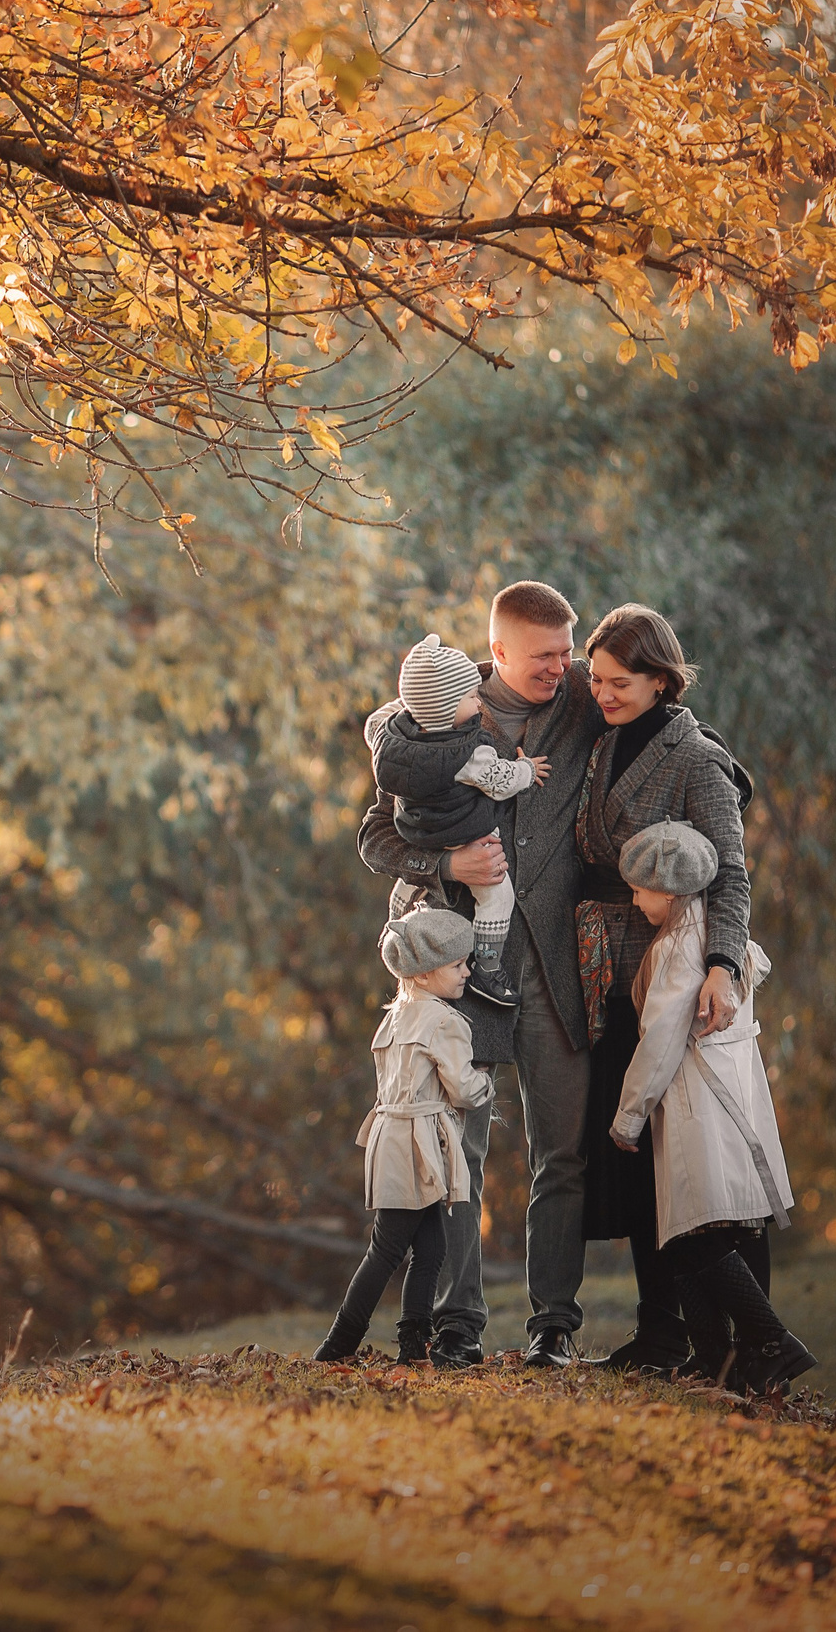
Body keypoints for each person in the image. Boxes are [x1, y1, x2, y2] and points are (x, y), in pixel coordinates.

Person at [359, 582, 606, 1369]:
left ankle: (554, 1327)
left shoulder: (581, 697)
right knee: (456, 1150)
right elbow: (374, 836)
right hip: (460, 971)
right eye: (544, 657)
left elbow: (661, 717)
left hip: (555, 965)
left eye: (567, 652)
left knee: (559, 1150)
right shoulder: (432, 716)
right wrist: (446, 860)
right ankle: (456, 1324)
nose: (561, 669)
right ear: (496, 651)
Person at [569, 604, 754, 1373]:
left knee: (687, 1159)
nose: (601, 692)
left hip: (675, 980)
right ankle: (660, 1329)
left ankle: (733, 1340)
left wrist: (724, 965)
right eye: (595, 678)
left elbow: (734, 872)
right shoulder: (605, 741)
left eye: (618, 682)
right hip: (611, 975)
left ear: (660, 680)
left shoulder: (693, 757)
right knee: (633, 1155)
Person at [606, 821, 815, 1394]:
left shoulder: (677, 951)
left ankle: (770, 1341)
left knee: (696, 1232)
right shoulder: (723, 944)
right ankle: (716, 1357)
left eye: (640, 890)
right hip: (732, 1096)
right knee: (690, 1229)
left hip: (698, 1100)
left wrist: (628, 1115)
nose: (634, 899)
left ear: (669, 892)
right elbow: (758, 964)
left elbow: (660, 1042)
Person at [313, 907, 496, 1366]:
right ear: (429, 971)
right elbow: (463, 1089)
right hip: (419, 1144)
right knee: (388, 1247)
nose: (466, 972)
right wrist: (487, 1078)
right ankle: (338, 1344)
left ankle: (414, 1341)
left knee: (431, 1246)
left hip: (391, 1139)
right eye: (458, 965)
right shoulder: (445, 1021)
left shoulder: (395, 1016)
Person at [367, 633, 553, 1009]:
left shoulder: (392, 740)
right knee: (496, 896)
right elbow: (501, 783)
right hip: (465, 832)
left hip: (421, 833)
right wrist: (527, 769)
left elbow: (374, 724)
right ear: (448, 707)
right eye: (471, 697)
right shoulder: (468, 753)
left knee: (408, 883)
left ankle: (395, 923)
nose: (478, 700)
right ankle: (487, 966)